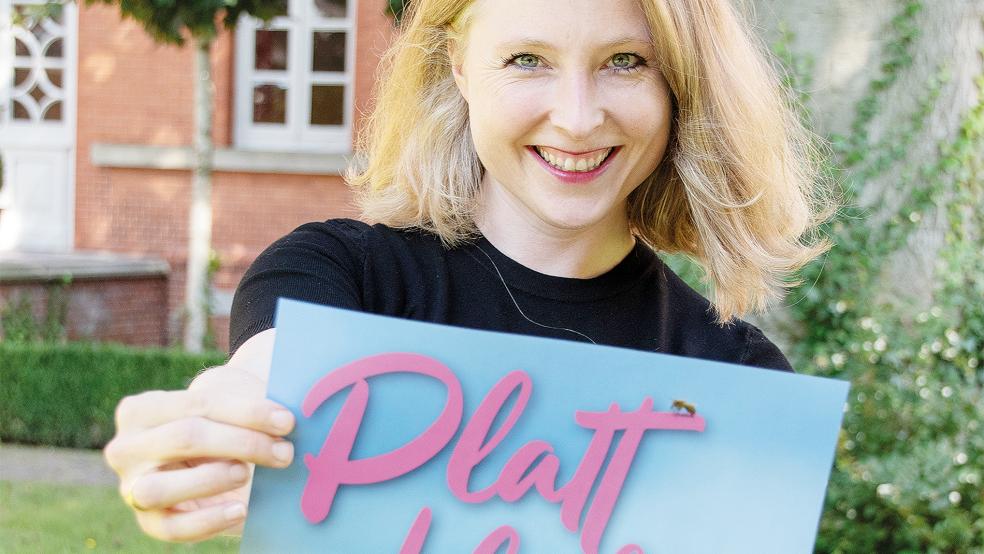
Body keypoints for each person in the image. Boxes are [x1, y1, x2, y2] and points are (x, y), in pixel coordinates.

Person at [104, 0, 831, 543]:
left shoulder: (738, 381)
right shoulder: (339, 275)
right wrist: (212, 424)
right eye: (526, 60)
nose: (577, 119)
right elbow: (265, 377)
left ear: (680, 83)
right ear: (459, 67)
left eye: (625, 61)